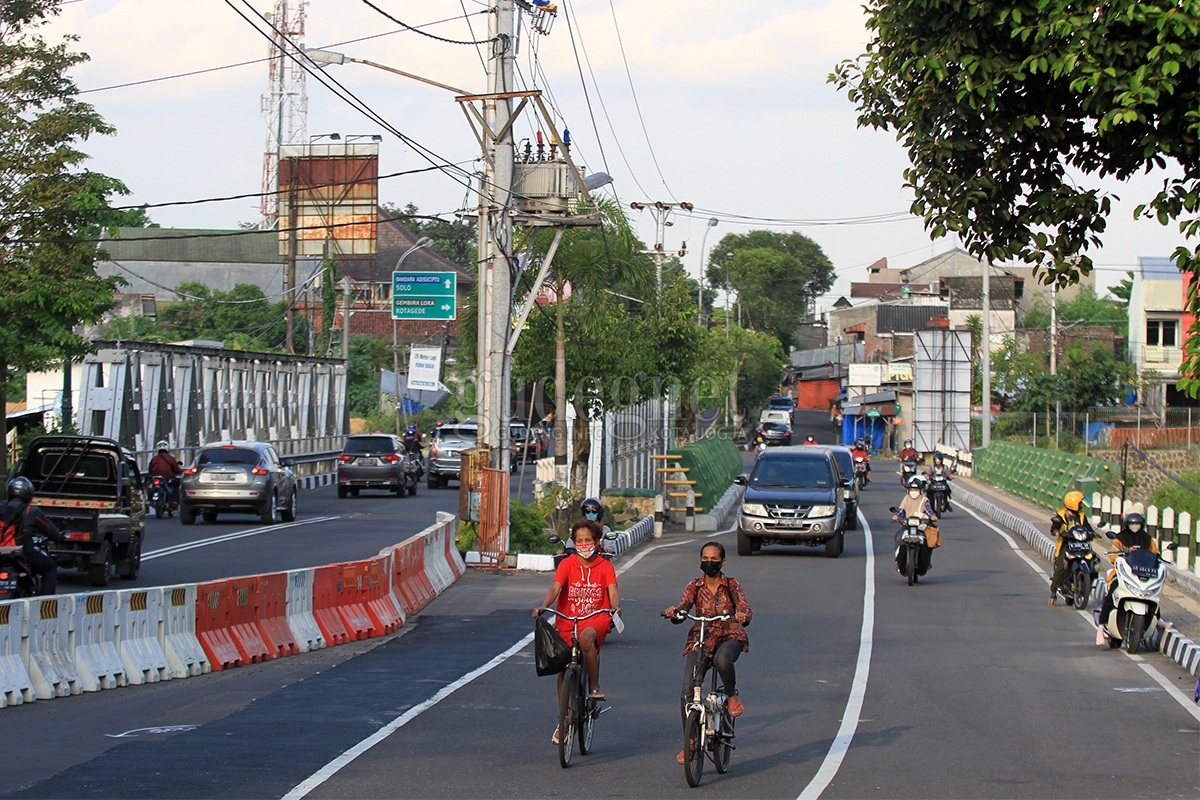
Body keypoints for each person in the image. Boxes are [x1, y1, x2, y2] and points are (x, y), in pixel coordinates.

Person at [663, 541, 752, 765]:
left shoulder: (731, 585)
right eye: (705, 558)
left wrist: (741, 614)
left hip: (729, 634)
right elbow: (683, 608)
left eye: (714, 559)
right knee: (687, 690)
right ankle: (691, 742)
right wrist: (676, 612)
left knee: (723, 660)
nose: (709, 562)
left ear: (722, 562)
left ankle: (731, 695)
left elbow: (745, 607)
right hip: (701, 636)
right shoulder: (695, 586)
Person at [534, 519, 620, 744]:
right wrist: (545, 605)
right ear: (573, 542)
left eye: (588, 540)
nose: (583, 545)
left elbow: (613, 591)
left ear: (597, 541)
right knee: (564, 665)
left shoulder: (605, 566)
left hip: (595, 618)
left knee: (585, 639)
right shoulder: (566, 564)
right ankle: (564, 717)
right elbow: (556, 588)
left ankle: (594, 686)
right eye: (579, 541)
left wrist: (614, 606)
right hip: (567, 619)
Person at [1096, 512, 1164, 643]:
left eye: (1137, 524)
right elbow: (1113, 556)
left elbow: (1156, 554)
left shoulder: (1148, 539)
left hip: (1143, 574)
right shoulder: (1120, 538)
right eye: (1132, 523)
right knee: (1112, 592)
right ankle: (1101, 627)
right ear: (1127, 524)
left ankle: (1158, 619)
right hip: (1123, 573)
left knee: (1153, 591)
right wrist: (1126, 552)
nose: (1135, 526)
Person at [0, 477, 65, 595]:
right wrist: (60, 536)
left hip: (1, 554)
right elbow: (51, 531)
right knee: (50, 567)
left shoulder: (1, 508)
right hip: (23, 554)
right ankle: (46, 604)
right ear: (28, 495)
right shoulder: (31, 511)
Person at [1048, 490, 1094, 606]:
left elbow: (1087, 528)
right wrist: (1056, 532)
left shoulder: (1081, 516)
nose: (1081, 506)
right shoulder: (1061, 515)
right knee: (1060, 568)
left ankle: (1087, 582)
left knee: (1093, 560)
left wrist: (1092, 533)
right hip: (1066, 544)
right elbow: (1055, 526)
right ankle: (1053, 592)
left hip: (1081, 544)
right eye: (1080, 504)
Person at [893, 475, 938, 575]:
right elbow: (901, 511)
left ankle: (927, 562)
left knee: (928, 542)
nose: (914, 491)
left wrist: (933, 516)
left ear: (920, 490)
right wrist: (897, 516)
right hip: (907, 525)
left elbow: (929, 511)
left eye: (916, 489)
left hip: (921, 525)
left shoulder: (924, 500)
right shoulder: (906, 499)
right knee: (898, 537)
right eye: (912, 489)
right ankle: (898, 560)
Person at [148, 440, 183, 505]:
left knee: (151, 486)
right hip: (168, 477)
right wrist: (180, 471)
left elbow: (150, 469)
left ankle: (150, 500)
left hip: (156, 477)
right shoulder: (171, 458)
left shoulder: (154, 458)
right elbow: (176, 469)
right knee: (177, 483)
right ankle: (175, 500)